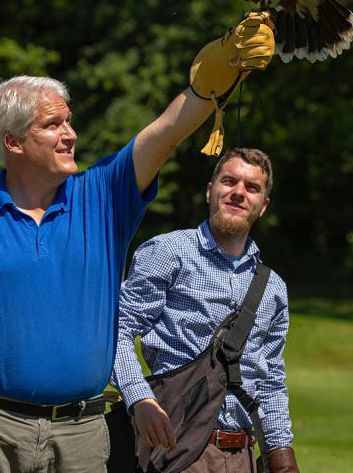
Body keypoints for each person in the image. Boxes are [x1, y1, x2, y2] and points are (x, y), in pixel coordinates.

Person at [0, 13, 276, 473]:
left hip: (82, 433)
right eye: (52, 125)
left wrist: (218, 74)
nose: (70, 134)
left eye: (69, 122)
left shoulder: (102, 196)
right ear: (12, 142)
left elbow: (166, 132)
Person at [111, 147, 300, 473]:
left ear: (263, 206)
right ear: (210, 190)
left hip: (243, 457)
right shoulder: (168, 252)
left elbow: (270, 383)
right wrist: (139, 397)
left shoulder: (273, 288)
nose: (238, 192)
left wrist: (282, 458)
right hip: (174, 450)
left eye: (251, 187)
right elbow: (117, 329)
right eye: (229, 181)